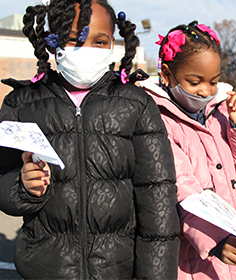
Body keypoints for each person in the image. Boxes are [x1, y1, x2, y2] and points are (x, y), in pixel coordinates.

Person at [0, 1, 180, 279]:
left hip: (117, 270)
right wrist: (23, 186)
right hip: (46, 270)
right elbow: (4, 183)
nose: (86, 50)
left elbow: (158, 202)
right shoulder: (22, 104)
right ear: (53, 40)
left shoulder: (137, 104)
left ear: (112, 43)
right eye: (74, 39)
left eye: (99, 41)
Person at [139, 21, 236, 280]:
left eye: (213, 81)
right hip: (196, 252)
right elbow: (182, 187)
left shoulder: (219, 110)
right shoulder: (156, 118)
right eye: (195, 81)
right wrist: (217, 239)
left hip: (233, 239)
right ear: (166, 74)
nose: (206, 91)